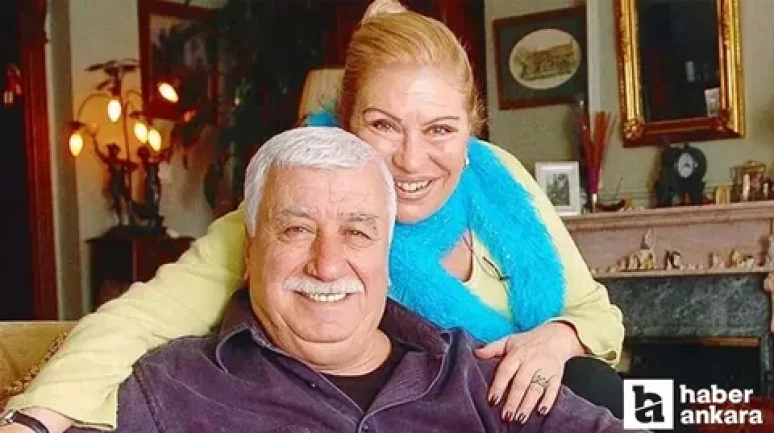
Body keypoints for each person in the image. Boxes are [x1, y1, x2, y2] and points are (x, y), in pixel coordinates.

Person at [1, 1, 625, 431]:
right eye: (383, 125)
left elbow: (598, 315)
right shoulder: (288, 215)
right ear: (345, 123)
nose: (412, 160)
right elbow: (136, 321)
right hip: (431, 410)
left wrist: (556, 339)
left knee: (624, 395)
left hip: (536, 400)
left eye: (440, 128)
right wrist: (36, 417)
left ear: (471, 130)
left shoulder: (499, 177)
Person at [58, 127, 637, 433]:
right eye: (296, 229)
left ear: (387, 252)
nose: (328, 264)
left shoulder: (471, 376)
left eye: (357, 232)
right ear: (251, 249)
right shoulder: (171, 387)